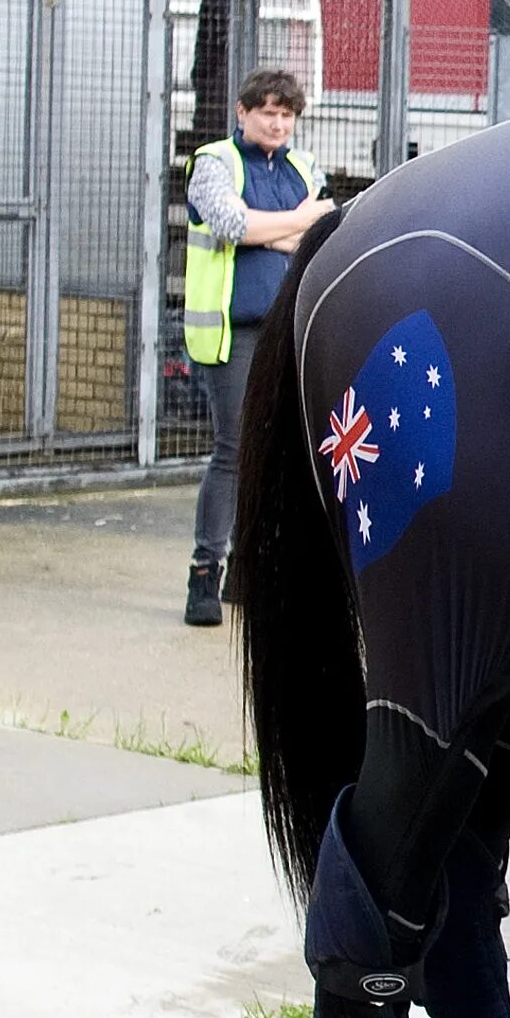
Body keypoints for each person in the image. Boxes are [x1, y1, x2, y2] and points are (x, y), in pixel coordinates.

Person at [182, 68, 333, 625]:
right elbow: (230, 223)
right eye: (266, 111)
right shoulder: (214, 162)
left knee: (280, 454)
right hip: (233, 330)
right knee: (234, 449)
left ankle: (250, 571)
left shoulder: (302, 167)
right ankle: (205, 571)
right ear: (242, 112)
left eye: (286, 114)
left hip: (289, 327)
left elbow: (323, 233)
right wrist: (293, 223)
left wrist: (274, 228)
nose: (276, 122)